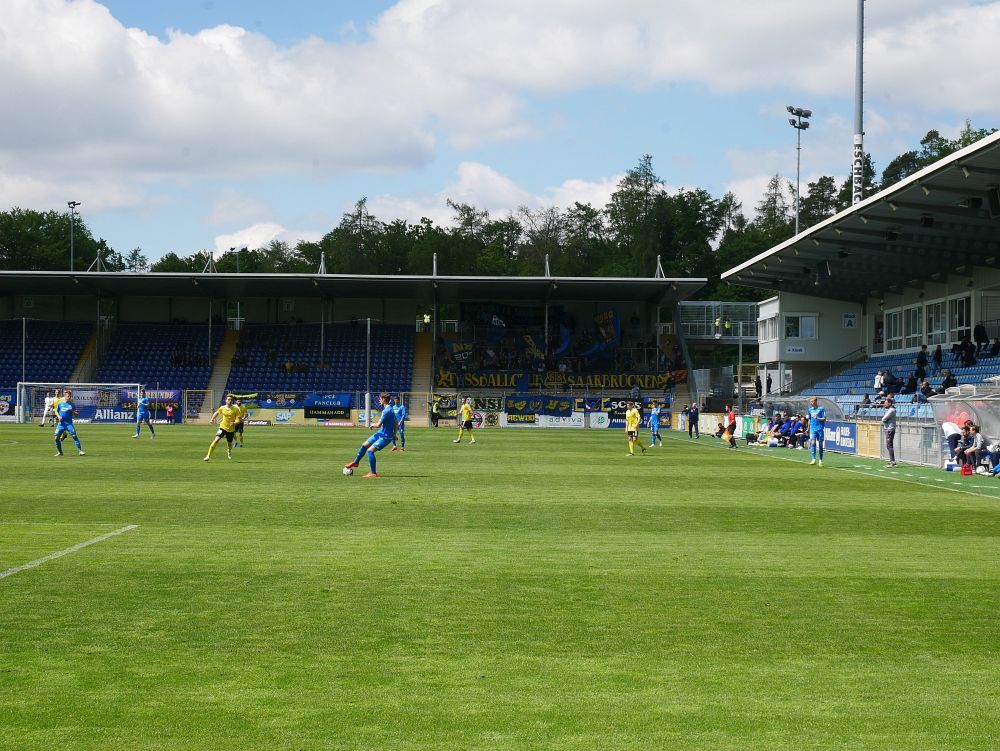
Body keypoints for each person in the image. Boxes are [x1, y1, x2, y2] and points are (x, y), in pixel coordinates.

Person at [344, 392, 399, 478]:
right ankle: (356, 462)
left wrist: (372, 424)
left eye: (380, 399)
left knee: (370, 451)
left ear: (384, 399)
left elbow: (379, 425)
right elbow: (396, 423)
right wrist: (394, 434)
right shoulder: (390, 409)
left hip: (385, 436)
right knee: (364, 445)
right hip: (380, 433)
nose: (379, 400)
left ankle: (373, 473)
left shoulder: (386, 411)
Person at [204, 394, 241, 461]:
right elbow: (217, 413)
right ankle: (208, 456)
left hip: (231, 429)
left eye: (231, 400)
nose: (230, 401)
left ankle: (229, 451)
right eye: (228, 399)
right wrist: (212, 419)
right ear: (225, 400)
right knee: (216, 440)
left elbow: (239, 420)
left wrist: (234, 423)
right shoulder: (222, 407)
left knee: (229, 444)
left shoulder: (236, 409)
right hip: (222, 427)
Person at [53, 389, 85, 457]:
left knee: (74, 436)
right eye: (68, 396)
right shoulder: (60, 404)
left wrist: (72, 411)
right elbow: (56, 411)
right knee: (56, 438)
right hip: (61, 424)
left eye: (70, 396)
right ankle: (60, 452)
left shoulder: (72, 405)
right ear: (65, 396)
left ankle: (80, 451)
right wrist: (58, 416)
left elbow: (76, 415)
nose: (69, 397)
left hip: (69, 424)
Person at [807, 396, 826, 466]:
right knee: (813, 443)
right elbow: (809, 419)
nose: (811, 403)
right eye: (810, 402)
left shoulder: (821, 409)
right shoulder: (810, 410)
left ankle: (820, 460)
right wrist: (808, 428)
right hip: (812, 429)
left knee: (820, 445)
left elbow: (824, 419)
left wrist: (817, 418)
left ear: (815, 401)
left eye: (812, 401)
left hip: (820, 429)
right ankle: (813, 459)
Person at [882, 396, 897, 468]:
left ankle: (893, 462)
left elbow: (884, 419)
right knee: (888, 445)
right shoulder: (889, 410)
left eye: (886, 403)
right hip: (888, 429)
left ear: (890, 403)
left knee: (889, 445)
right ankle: (891, 461)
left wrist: (883, 420)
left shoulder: (891, 410)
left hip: (890, 429)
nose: (884, 404)